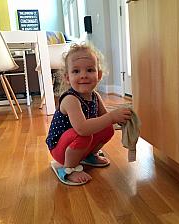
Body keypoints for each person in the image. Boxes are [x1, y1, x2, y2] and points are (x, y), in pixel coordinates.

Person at [46, 43, 132, 186]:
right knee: (83, 135)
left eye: (90, 70)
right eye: (76, 71)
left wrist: (120, 118)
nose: (84, 75)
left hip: (79, 143)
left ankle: (89, 155)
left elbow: (105, 120)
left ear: (98, 75)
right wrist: (111, 117)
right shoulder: (70, 99)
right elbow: (82, 128)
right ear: (67, 78)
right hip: (60, 149)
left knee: (107, 129)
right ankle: (69, 168)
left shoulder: (95, 96)